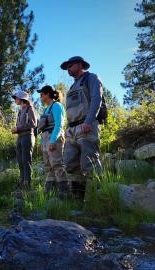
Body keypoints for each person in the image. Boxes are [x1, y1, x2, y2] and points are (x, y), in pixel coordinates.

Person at [60, 56, 103, 199]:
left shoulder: (91, 78)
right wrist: (67, 129)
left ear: (80, 65)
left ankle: (100, 199)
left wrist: (89, 121)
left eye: (70, 65)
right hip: (72, 130)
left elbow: (97, 99)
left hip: (87, 126)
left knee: (90, 164)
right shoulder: (72, 86)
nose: (68, 68)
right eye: (66, 67)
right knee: (71, 165)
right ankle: (78, 201)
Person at [37, 85, 70, 198]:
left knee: (57, 164)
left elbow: (59, 125)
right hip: (45, 139)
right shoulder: (46, 109)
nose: (40, 97)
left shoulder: (57, 106)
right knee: (48, 166)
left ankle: (64, 192)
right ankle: (50, 192)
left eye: (41, 95)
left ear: (47, 94)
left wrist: (53, 140)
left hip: (53, 138)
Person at [11, 91, 37, 189]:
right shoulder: (20, 111)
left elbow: (33, 124)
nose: (15, 100)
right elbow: (20, 126)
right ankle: (22, 181)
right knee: (20, 161)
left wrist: (18, 128)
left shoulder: (30, 109)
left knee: (26, 161)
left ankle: (27, 183)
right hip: (20, 137)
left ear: (22, 99)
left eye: (16, 98)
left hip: (27, 137)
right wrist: (16, 130)